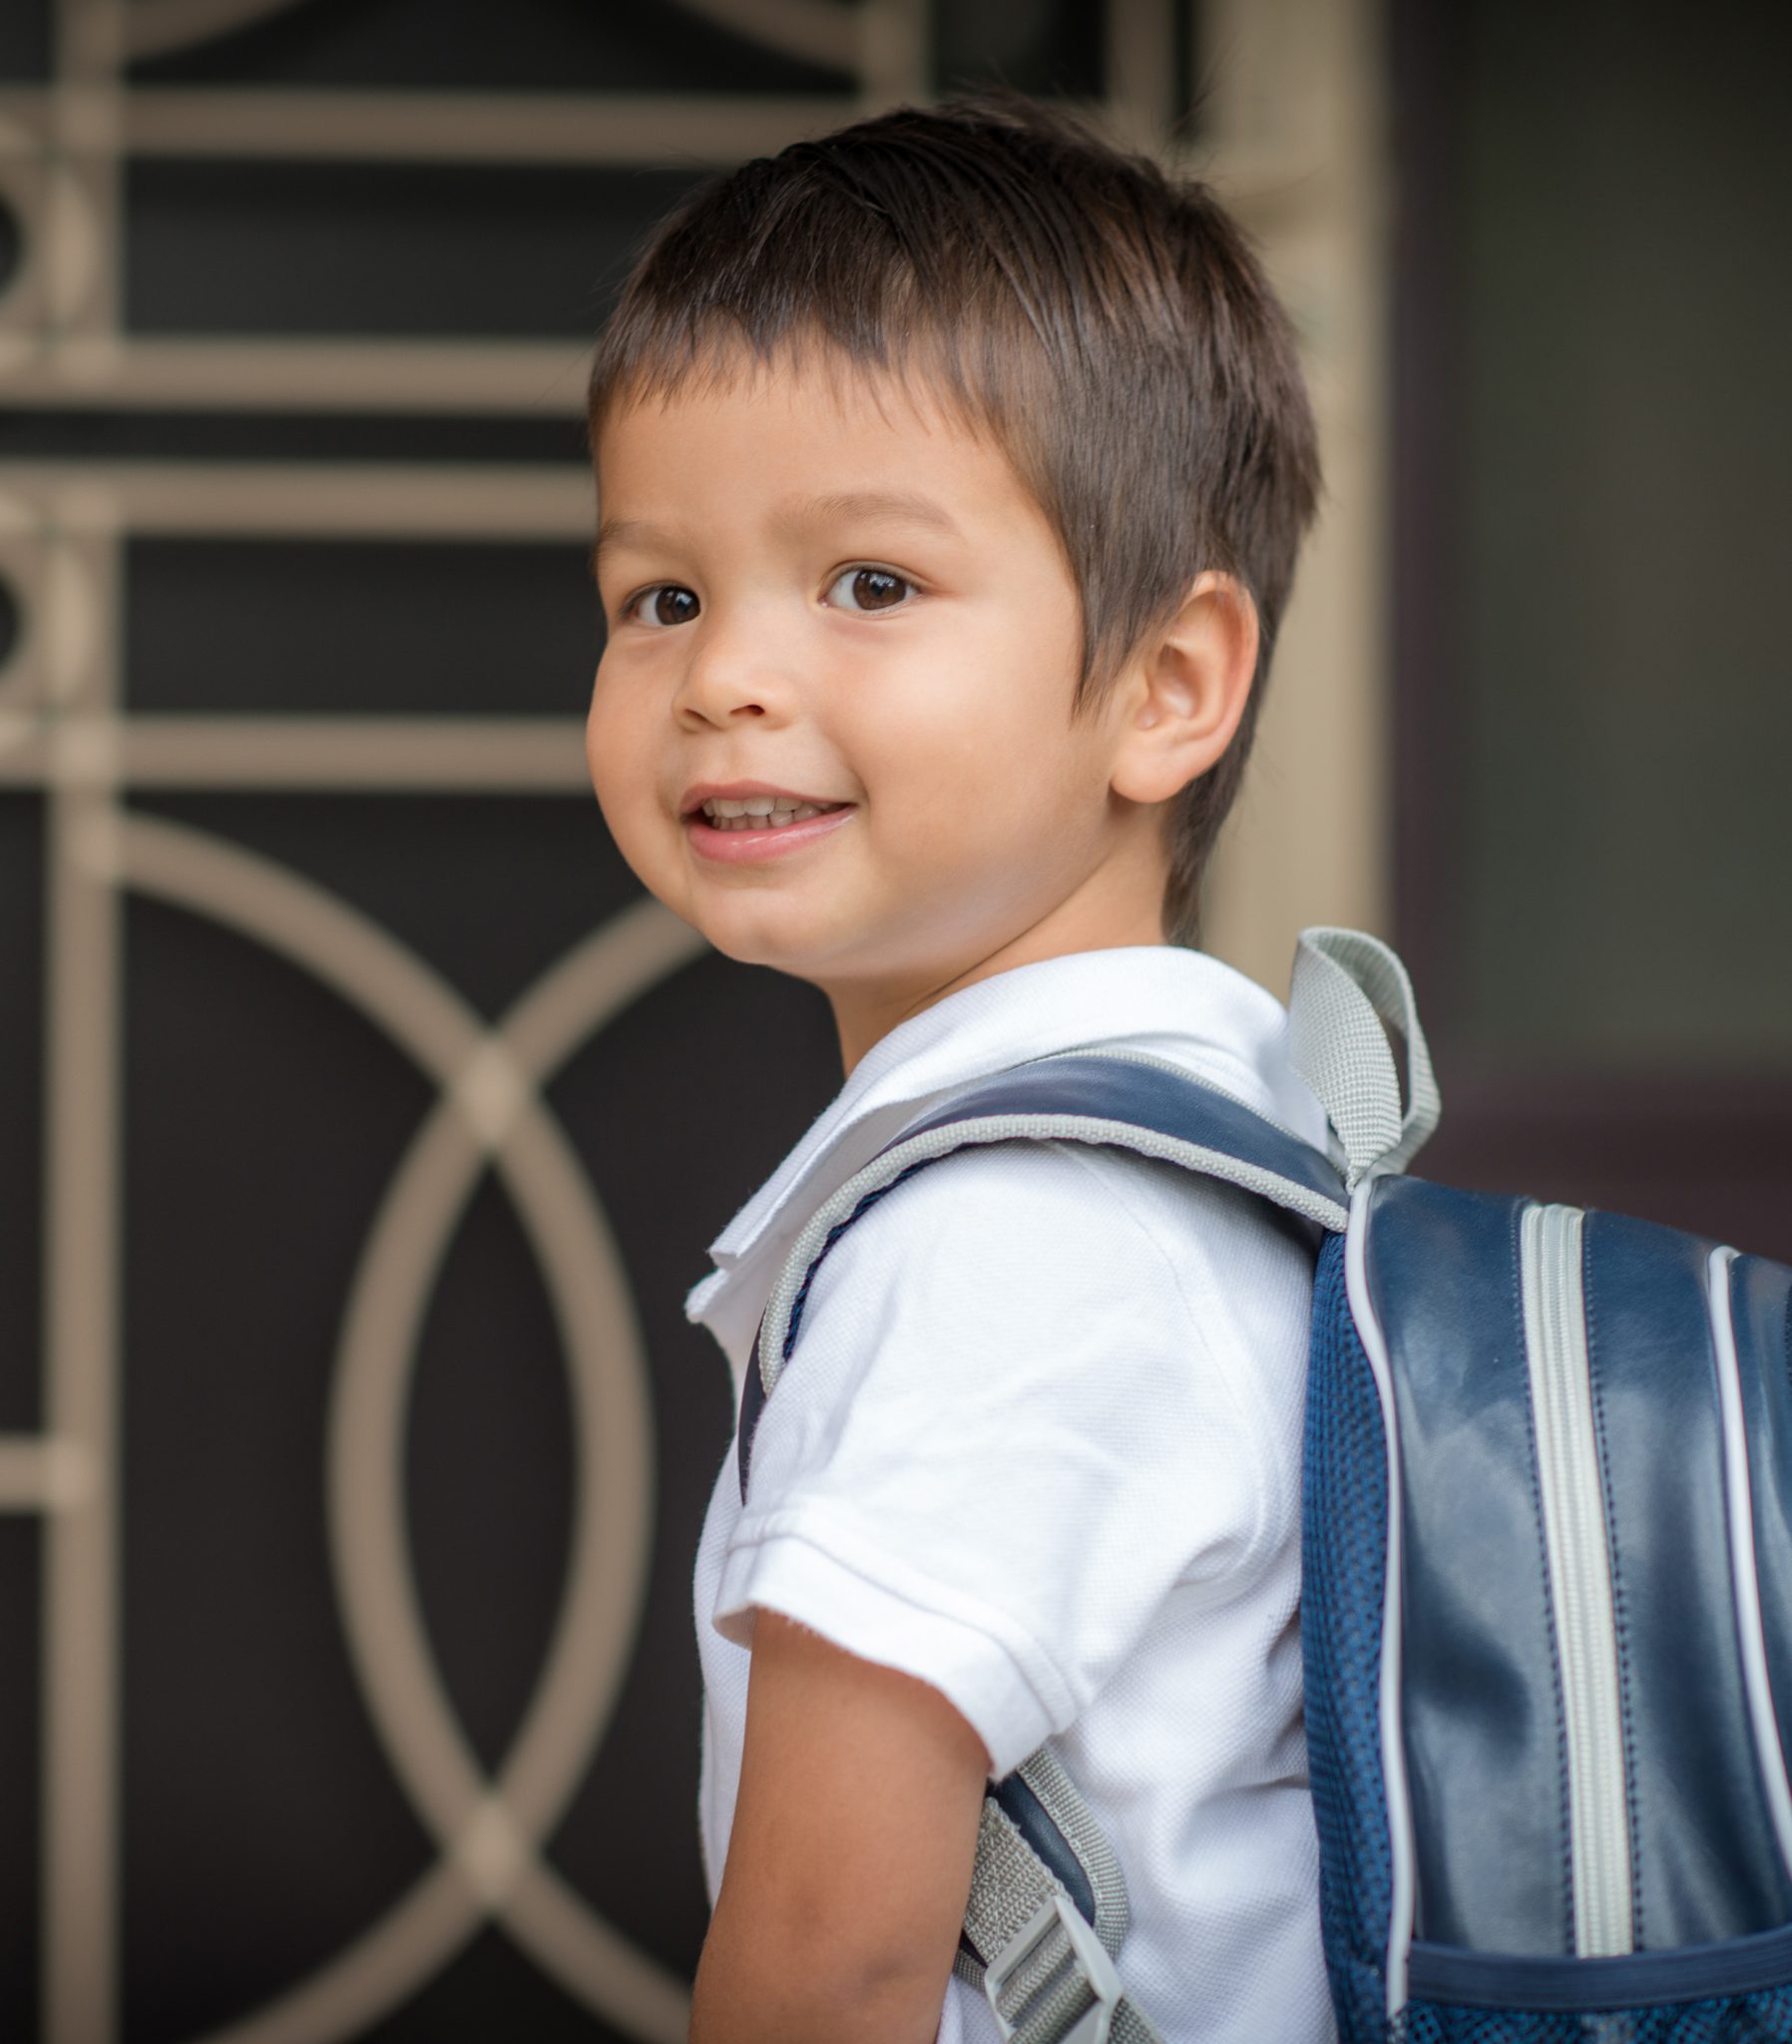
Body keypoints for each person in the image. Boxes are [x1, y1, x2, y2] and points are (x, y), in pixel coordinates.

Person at [583, 84, 1335, 2044]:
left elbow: (831, 1966)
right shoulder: (1228, 1149)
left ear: (1167, 685)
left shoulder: (1008, 1244)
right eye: (660, 594)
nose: (725, 672)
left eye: (867, 585)